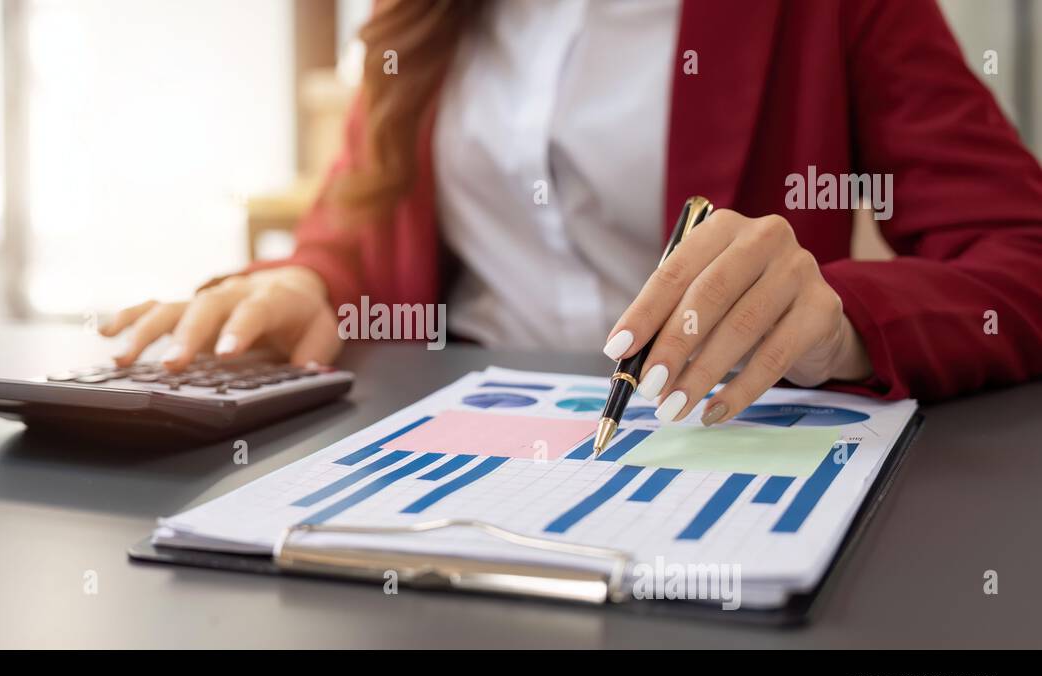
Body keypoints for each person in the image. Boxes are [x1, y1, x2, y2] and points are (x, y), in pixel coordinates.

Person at [103, 0, 1042, 425]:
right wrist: (310, 281)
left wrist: (839, 321)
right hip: (435, 440)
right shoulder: (423, 16)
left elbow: (1022, 250)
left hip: (702, 447)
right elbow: (359, 211)